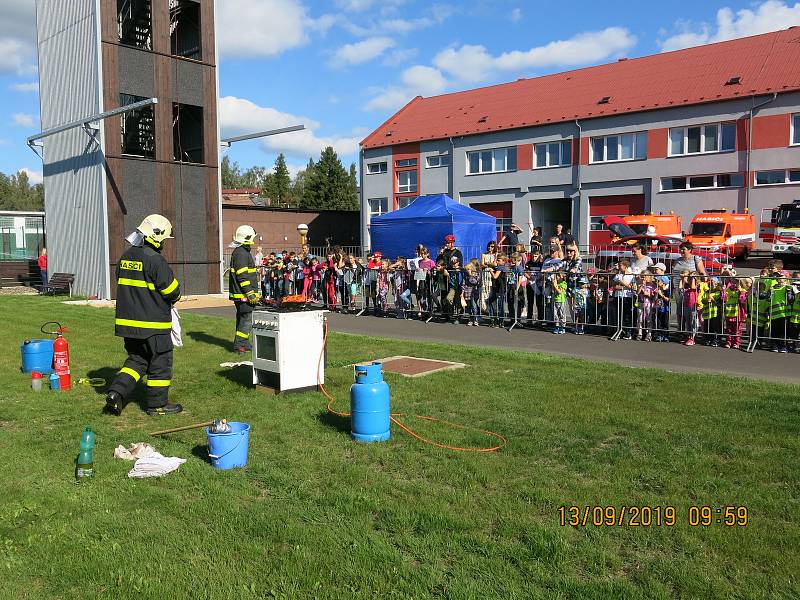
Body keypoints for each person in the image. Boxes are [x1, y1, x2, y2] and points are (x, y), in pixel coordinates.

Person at [105, 215, 182, 416]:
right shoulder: (155, 260)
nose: (164, 243)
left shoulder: (125, 258)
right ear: (156, 237)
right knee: (160, 364)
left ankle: (116, 393)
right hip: (153, 326)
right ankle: (157, 405)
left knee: (136, 361)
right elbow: (172, 291)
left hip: (128, 326)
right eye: (164, 238)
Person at [229, 225, 260, 353]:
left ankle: (244, 343)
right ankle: (239, 345)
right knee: (247, 319)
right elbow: (243, 277)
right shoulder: (241, 253)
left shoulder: (241, 252)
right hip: (244, 295)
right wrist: (250, 294)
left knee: (243, 319)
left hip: (242, 294)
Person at [722, 272, 750, 350]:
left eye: (736, 283)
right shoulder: (728, 290)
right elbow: (724, 299)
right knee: (728, 329)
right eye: (733, 282)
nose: (734, 284)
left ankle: (736, 342)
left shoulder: (743, 291)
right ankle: (728, 341)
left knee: (737, 329)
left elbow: (742, 300)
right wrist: (724, 291)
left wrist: (741, 292)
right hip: (729, 313)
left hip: (738, 314)